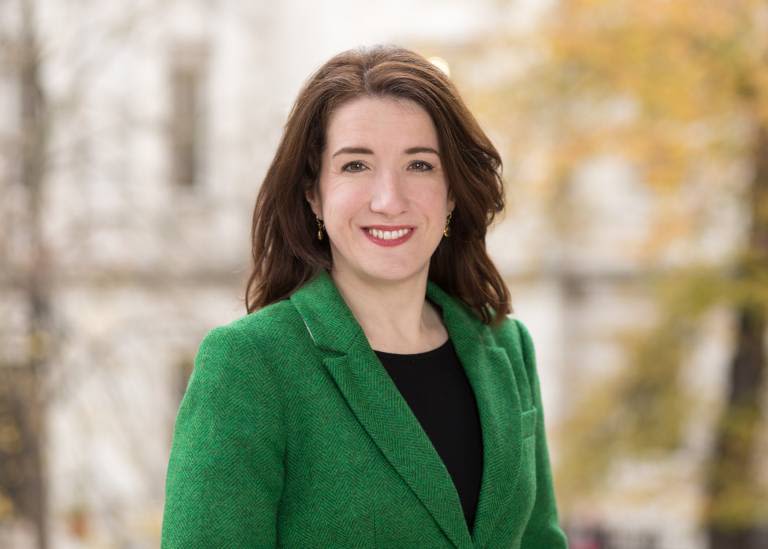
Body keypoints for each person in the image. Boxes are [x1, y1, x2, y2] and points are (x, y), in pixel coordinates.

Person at [161, 45, 568, 548]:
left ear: (452, 192)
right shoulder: (250, 364)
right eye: (356, 166)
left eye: (419, 165)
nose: (389, 200)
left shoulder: (505, 348)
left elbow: (539, 539)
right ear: (314, 194)